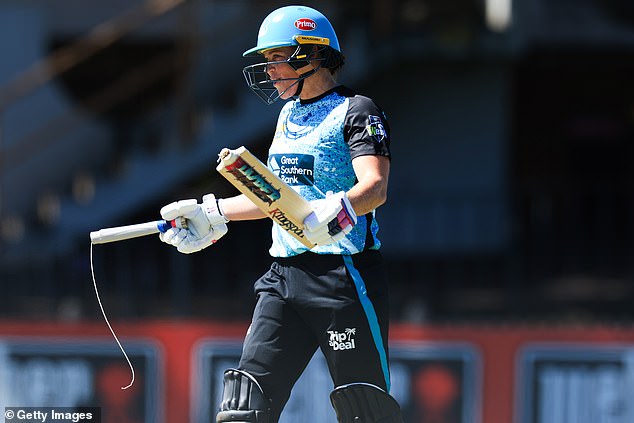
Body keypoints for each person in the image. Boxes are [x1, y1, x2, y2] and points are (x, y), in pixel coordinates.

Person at [158, 5, 402, 422]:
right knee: (242, 409)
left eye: (276, 59)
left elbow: (374, 187)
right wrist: (212, 212)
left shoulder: (357, 109)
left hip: (344, 278)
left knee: (367, 411)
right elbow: (278, 199)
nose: (269, 70)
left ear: (310, 55)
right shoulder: (288, 114)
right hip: (283, 278)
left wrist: (340, 209)